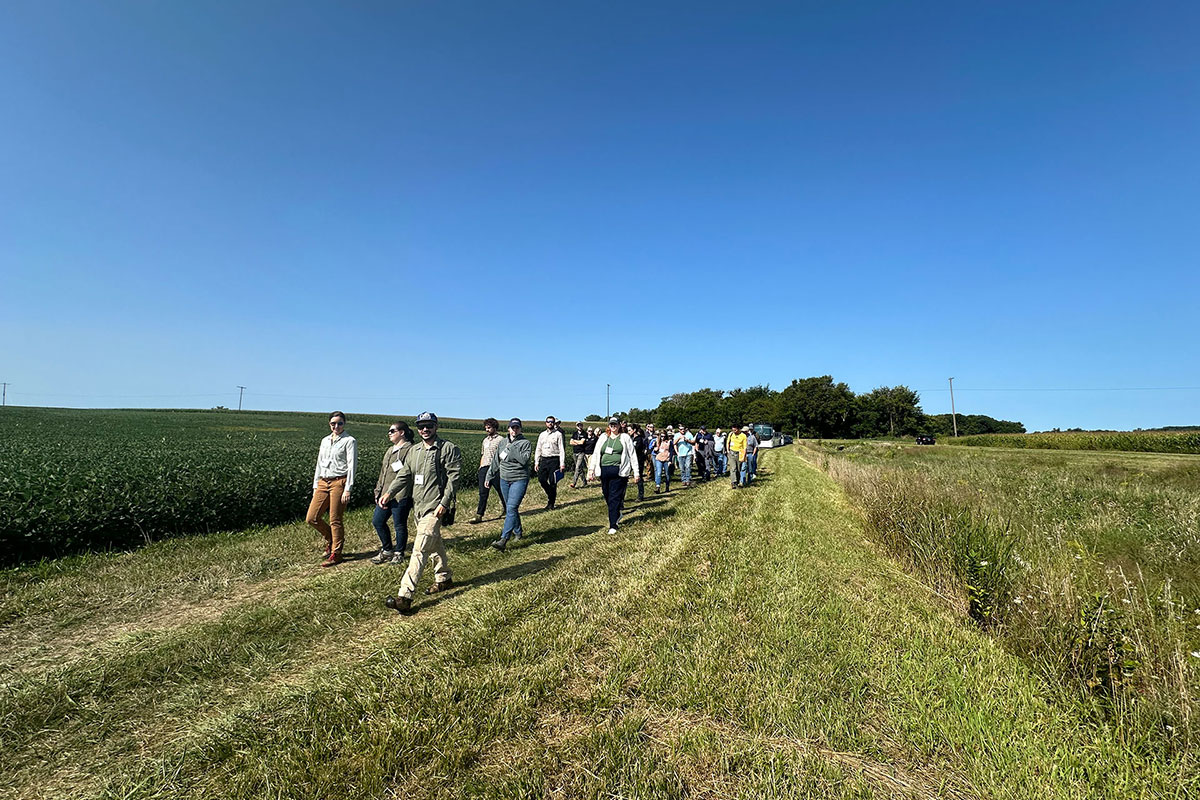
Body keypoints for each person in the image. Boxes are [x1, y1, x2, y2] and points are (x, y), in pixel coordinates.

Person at [385, 412, 461, 615]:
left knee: (419, 551)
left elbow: (454, 478)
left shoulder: (447, 449)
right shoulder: (415, 451)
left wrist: (444, 503)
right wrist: (390, 492)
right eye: (421, 426)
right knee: (435, 545)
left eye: (429, 425)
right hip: (418, 506)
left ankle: (405, 596)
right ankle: (444, 579)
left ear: (436, 426)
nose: (425, 429)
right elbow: (404, 475)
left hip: (435, 507)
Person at [307, 411, 357, 567]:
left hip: (339, 482)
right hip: (323, 481)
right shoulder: (324, 441)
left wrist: (348, 488)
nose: (336, 426)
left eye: (340, 423)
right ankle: (330, 539)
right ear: (329, 424)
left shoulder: (349, 441)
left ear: (344, 424)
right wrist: (316, 484)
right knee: (312, 518)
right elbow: (319, 463)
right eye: (333, 423)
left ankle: (336, 553)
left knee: (335, 519)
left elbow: (351, 466)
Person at [486, 418, 533, 551]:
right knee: (511, 508)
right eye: (512, 427)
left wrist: (512, 449)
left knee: (511, 508)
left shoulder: (525, 443)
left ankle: (504, 539)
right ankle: (518, 532)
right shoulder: (502, 442)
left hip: (519, 479)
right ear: (508, 429)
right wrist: (489, 475)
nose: (514, 430)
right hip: (504, 479)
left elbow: (524, 460)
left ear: (520, 429)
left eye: (517, 427)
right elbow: (496, 460)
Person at [588, 417, 640, 534]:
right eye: (611, 424)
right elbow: (596, 453)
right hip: (604, 470)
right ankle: (617, 513)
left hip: (619, 471)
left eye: (615, 424)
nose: (613, 427)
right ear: (609, 426)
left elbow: (632, 455)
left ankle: (613, 525)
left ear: (619, 425)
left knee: (614, 497)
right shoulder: (603, 437)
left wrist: (636, 472)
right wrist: (591, 469)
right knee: (606, 494)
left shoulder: (625, 437)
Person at [371, 420, 414, 564]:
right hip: (385, 494)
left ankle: (399, 553)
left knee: (399, 524)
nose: (389, 434)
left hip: (401, 494)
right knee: (377, 521)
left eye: (392, 431)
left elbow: (407, 474)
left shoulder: (410, 449)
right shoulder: (390, 450)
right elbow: (383, 473)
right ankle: (387, 550)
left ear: (401, 433)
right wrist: (378, 492)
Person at [470, 418, 505, 524]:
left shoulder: (501, 440)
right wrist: (480, 467)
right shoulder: (485, 440)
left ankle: (508, 510)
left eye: (489, 428)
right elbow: (483, 454)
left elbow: (503, 455)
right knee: (483, 493)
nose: (487, 430)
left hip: (496, 468)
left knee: (501, 491)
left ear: (494, 427)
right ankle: (479, 515)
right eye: (486, 428)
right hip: (484, 468)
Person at [535, 415, 566, 509]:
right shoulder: (542, 435)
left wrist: (562, 463)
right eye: (548, 421)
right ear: (546, 423)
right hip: (544, 459)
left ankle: (551, 503)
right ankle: (550, 494)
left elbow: (561, 449)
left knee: (553, 482)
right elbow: (538, 448)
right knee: (542, 479)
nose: (550, 423)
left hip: (554, 459)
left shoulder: (558, 434)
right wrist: (536, 462)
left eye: (552, 422)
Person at [630, 423, 648, 501]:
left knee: (639, 477)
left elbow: (636, 449)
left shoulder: (639, 439)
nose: (628, 432)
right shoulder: (630, 438)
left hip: (638, 460)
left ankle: (641, 495)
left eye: (629, 430)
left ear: (634, 430)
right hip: (630, 460)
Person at [653, 427, 674, 493]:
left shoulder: (669, 442)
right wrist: (655, 449)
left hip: (666, 459)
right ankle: (658, 487)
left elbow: (671, 451)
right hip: (659, 458)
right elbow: (655, 450)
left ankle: (667, 486)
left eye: (664, 436)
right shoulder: (657, 441)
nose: (663, 437)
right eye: (661, 436)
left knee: (667, 474)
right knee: (658, 473)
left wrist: (670, 460)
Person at [569, 421, 590, 488]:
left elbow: (582, 442)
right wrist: (577, 442)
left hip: (581, 452)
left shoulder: (584, 434)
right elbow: (570, 442)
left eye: (580, 425)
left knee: (577, 467)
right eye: (578, 425)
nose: (579, 426)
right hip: (575, 452)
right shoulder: (574, 433)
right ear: (576, 426)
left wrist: (575, 441)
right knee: (580, 468)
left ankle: (574, 483)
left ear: (582, 426)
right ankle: (584, 482)